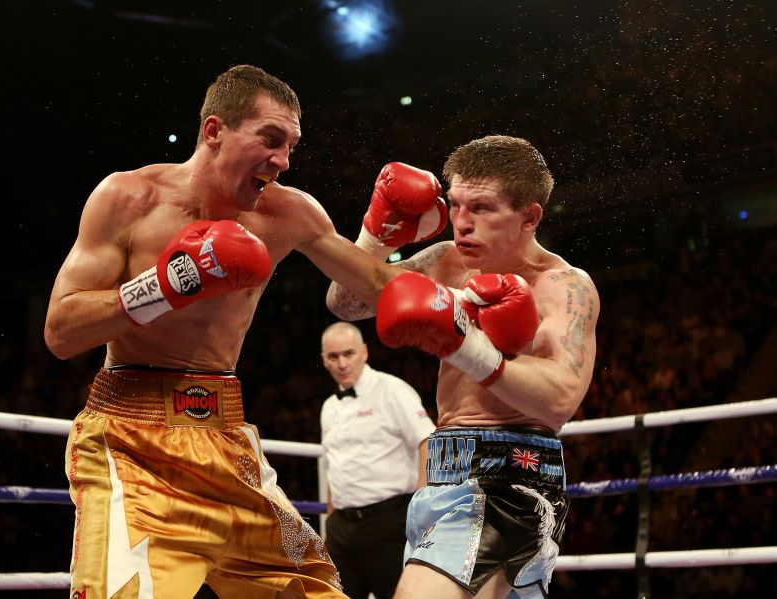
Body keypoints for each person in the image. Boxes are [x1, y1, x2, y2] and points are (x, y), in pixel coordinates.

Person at [43, 65, 445, 599]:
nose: (281, 161)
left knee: (314, 592)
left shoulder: (289, 212)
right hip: (132, 442)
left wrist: (449, 265)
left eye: (291, 148)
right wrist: (166, 284)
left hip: (228, 439)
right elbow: (61, 330)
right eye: (270, 139)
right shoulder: (128, 198)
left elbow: (376, 286)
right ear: (214, 132)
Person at [326, 135, 600, 599]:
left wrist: (463, 344)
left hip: (509, 482)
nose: (462, 223)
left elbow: (559, 399)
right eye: (454, 205)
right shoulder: (442, 261)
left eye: (482, 208)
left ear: (529, 216)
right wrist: (376, 236)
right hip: (442, 474)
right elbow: (346, 302)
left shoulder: (562, 286)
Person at [319, 321, 436, 599]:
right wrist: (332, 519)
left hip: (389, 523)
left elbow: (427, 440)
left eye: (349, 354)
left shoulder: (391, 389)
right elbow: (336, 464)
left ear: (365, 352)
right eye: (333, 357)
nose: (342, 363)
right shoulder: (329, 407)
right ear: (324, 360)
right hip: (341, 530)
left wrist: (419, 507)